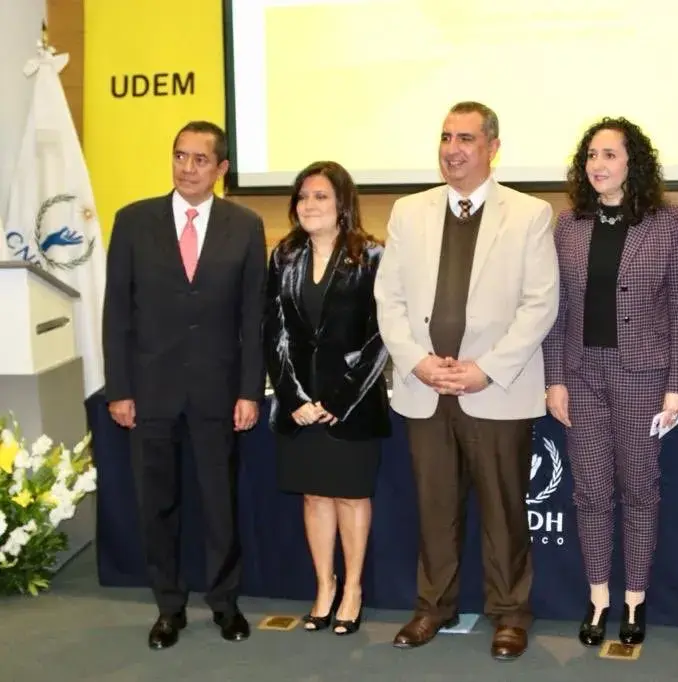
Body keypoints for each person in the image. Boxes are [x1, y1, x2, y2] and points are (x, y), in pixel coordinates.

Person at [374, 101, 558, 661]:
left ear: (492, 148)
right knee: (435, 509)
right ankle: (434, 606)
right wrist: (417, 361)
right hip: (425, 387)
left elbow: (540, 303)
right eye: (446, 137)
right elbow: (389, 299)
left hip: (495, 390)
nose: (452, 149)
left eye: (466, 139)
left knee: (504, 512)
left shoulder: (529, 214)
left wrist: (486, 369)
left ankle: (510, 614)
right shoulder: (409, 211)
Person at [102, 121, 266, 649]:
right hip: (150, 392)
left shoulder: (245, 225)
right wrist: (119, 389)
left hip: (219, 392)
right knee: (156, 506)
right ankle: (168, 608)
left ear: (221, 169)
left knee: (219, 505)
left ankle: (225, 603)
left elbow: (252, 317)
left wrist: (249, 390)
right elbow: (117, 313)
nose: (187, 168)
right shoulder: (133, 221)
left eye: (200, 159)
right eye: (180, 156)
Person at [541, 117, 678, 647]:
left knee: (639, 488)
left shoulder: (666, 221)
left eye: (609, 154)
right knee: (589, 490)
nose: (598, 165)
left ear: (633, 163)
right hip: (581, 376)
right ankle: (598, 596)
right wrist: (555, 378)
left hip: (643, 376)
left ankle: (635, 598)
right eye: (591, 155)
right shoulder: (569, 224)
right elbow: (556, 309)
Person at [262, 161, 390, 635]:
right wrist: (293, 396)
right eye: (302, 197)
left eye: (320, 196)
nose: (309, 204)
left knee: (351, 498)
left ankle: (352, 590)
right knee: (315, 496)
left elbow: (381, 336)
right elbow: (273, 329)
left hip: (351, 405)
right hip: (299, 406)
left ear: (342, 204)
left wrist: (338, 399)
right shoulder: (284, 256)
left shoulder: (372, 256)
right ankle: (324, 586)